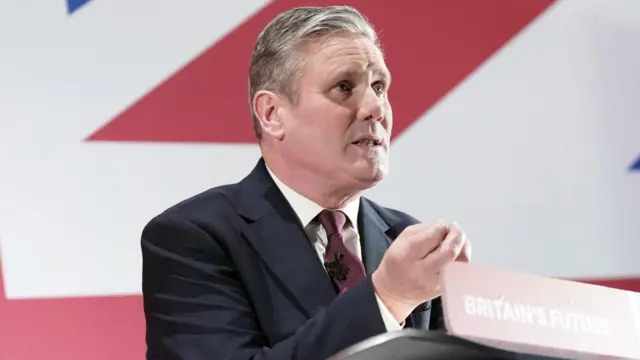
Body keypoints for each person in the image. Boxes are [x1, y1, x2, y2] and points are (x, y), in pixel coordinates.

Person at [141, 5, 471, 360]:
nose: (375, 107)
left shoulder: (407, 238)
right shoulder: (193, 238)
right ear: (272, 114)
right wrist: (386, 298)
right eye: (344, 87)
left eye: (379, 86)